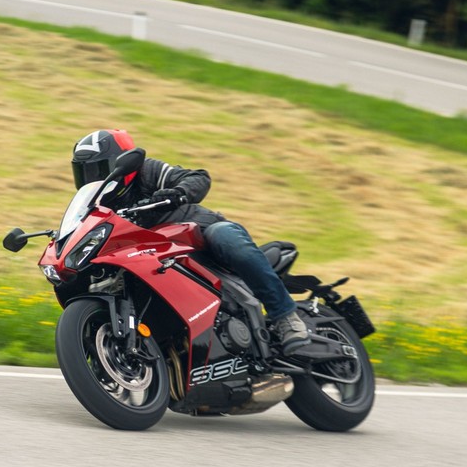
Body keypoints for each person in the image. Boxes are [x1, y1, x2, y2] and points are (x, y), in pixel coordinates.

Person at [70, 128, 310, 355]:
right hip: (153, 257)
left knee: (224, 237)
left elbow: (197, 177)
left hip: (197, 235)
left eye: (100, 170)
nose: (94, 179)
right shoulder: (98, 206)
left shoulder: (147, 172)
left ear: (123, 164)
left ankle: (286, 317)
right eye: (86, 173)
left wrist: (178, 192)